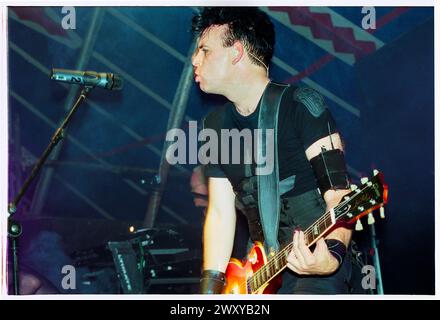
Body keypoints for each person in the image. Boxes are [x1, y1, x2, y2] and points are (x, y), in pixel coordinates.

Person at [191, 7, 353, 294]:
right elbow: (220, 213)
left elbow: (340, 195)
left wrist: (331, 256)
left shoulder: (301, 105)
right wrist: (210, 289)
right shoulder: (213, 125)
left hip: (315, 265)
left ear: (236, 52)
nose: (195, 60)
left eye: (204, 50)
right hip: (263, 271)